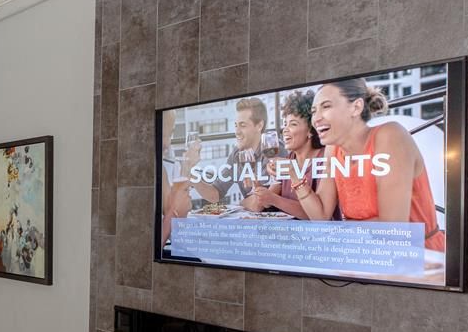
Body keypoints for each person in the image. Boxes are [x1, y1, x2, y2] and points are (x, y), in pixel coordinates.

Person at [287, 78, 445, 250]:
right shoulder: (333, 149)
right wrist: (294, 175)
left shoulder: (390, 135)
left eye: (326, 106)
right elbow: (321, 215)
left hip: (420, 260)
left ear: (356, 107)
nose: (316, 119)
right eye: (314, 111)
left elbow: (392, 230)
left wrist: (336, 232)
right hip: (364, 254)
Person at [244, 89, 326, 219]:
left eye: (293, 124)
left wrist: (274, 199)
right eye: (285, 124)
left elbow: (316, 215)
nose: (285, 130)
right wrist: (259, 191)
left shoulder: (324, 160)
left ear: (310, 130)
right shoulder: (288, 160)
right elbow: (261, 204)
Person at [191, 97, 267, 204]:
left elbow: (259, 204)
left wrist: (241, 203)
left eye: (243, 125)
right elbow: (215, 194)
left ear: (259, 125)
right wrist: (191, 175)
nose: (237, 132)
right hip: (253, 219)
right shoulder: (237, 153)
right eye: (236, 125)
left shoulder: (273, 150)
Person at [159, 111, 192, 246]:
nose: (167, 143)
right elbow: (144, 253)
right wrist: (174, 212)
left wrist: (188, 165)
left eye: (170, 134)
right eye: (161, 133)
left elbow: (174, 217)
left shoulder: (161, 169)